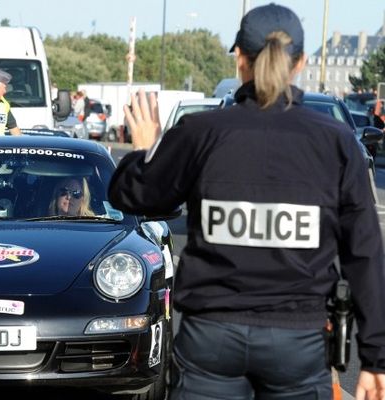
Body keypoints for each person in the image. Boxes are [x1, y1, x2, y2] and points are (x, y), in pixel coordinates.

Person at [108, 4, 385, 400]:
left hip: (211, 339)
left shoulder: (202, 132)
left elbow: (136, 196)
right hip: (298, 341)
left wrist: (146, 150)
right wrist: (375, 357)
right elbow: (365, 253)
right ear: (301, 62)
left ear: (240, 59)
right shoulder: (335, 141)